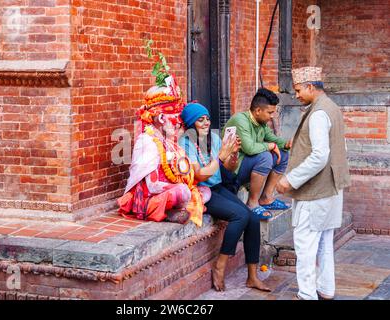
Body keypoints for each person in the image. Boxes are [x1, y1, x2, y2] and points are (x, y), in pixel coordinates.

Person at [276, 66, 351, 300]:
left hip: (316, 192)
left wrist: (290, 179)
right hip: (331, 187)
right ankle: (326, 290)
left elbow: (320, 155)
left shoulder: (319, 113)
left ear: (310, 87)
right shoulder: (332, 108)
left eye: (298, 90)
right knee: (324, 242)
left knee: (306, 245)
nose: (296, 95)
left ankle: (307, 294)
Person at [179, 102, 270, 292]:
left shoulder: (213, 138)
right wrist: (221, 156)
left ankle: (252, 276)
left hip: (218, 187)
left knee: (252, 217)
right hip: (201, 192)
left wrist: (233, 157)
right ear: (190, 124)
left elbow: (226, 168)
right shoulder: (185, 143)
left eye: (207, 119)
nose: (205, 123)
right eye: (199, 120)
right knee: (241, 215)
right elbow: (199, 175)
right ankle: (220, 264)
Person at [117, 73, 209, 227]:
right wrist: (182, 189)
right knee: (183, 192)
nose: (178, 125)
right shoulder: (147, 141)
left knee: (206, 191)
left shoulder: (168, 140)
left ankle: (179, 209)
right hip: (150, 197)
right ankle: (172, 211)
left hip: (172, 191)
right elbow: (152, 186)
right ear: (160, 119)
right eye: (174, 120)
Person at [222, 88, 292, 220]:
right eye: (270, 112)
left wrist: (286, 144)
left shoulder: (261, 123)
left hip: (246, 165)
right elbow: (249, 148)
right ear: (258, 111)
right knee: (265, 156)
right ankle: (252, 203)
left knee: (282, 154)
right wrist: (270, 146)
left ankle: (266, 198)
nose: (272, 116)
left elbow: (272, 138)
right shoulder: (240, 120)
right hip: (232, 171)